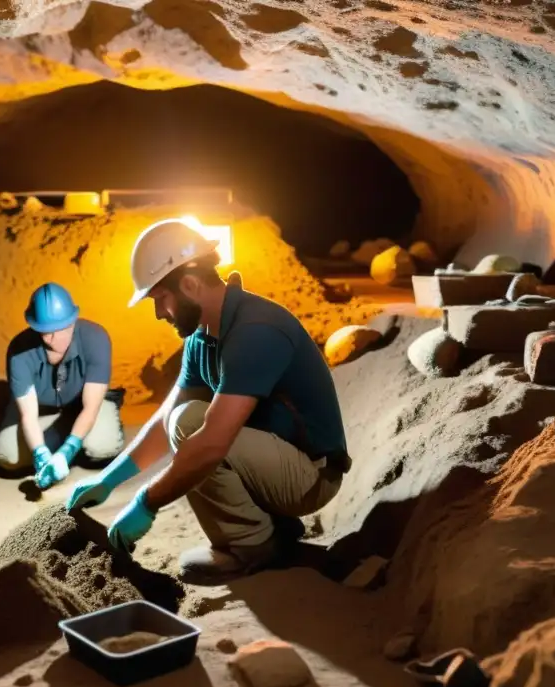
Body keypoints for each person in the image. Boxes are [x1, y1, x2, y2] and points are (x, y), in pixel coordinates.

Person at [64, 219, 352, 583]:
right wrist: (109, 480)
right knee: (181, 419)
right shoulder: (204, 336)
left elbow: (211, 443)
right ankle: (273, 530)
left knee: (193, 427)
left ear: (189, 284)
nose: (158, 313)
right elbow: (166, 416)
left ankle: (253, 547)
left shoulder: (255, 331)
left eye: (160, 299)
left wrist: (147, 502)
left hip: (312, 475)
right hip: (275, 462)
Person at [0, 282, 125, 489]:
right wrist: (40, 453)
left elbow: (90, 408)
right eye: (47, 332)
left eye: (64, 328)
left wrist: (67, 451)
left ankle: (77, 434)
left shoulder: (96, 338)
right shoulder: (19, 351)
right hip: (41, 411)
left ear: (74, 320)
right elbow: (28, 415)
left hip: (83, 405)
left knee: (103, 446)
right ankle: (61, 432)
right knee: (7, 455)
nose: (56, 338)